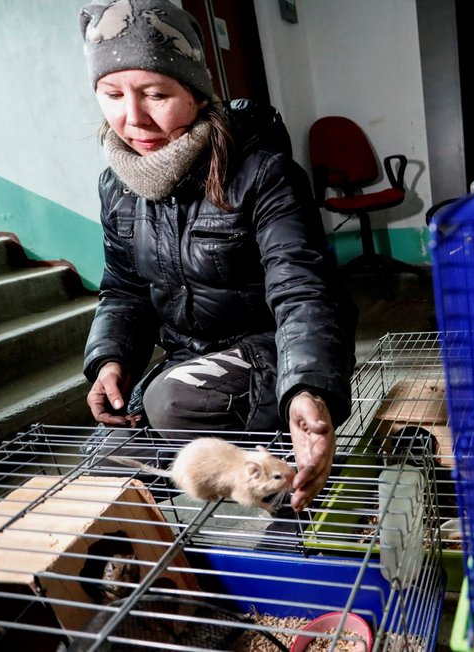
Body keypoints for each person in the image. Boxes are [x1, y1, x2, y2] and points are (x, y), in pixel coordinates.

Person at [78, 0, 356, 512]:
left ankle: (277, 453)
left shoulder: (264, 174)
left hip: (269, 349)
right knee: (111, 456)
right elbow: (123, 288)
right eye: (112, 94)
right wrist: (110, 359)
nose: (132, 117)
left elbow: (303, 290)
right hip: (191, 355)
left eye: (156, 94)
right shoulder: (116, 187)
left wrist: (307, 389)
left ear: (196, 93)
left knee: (169, 403)